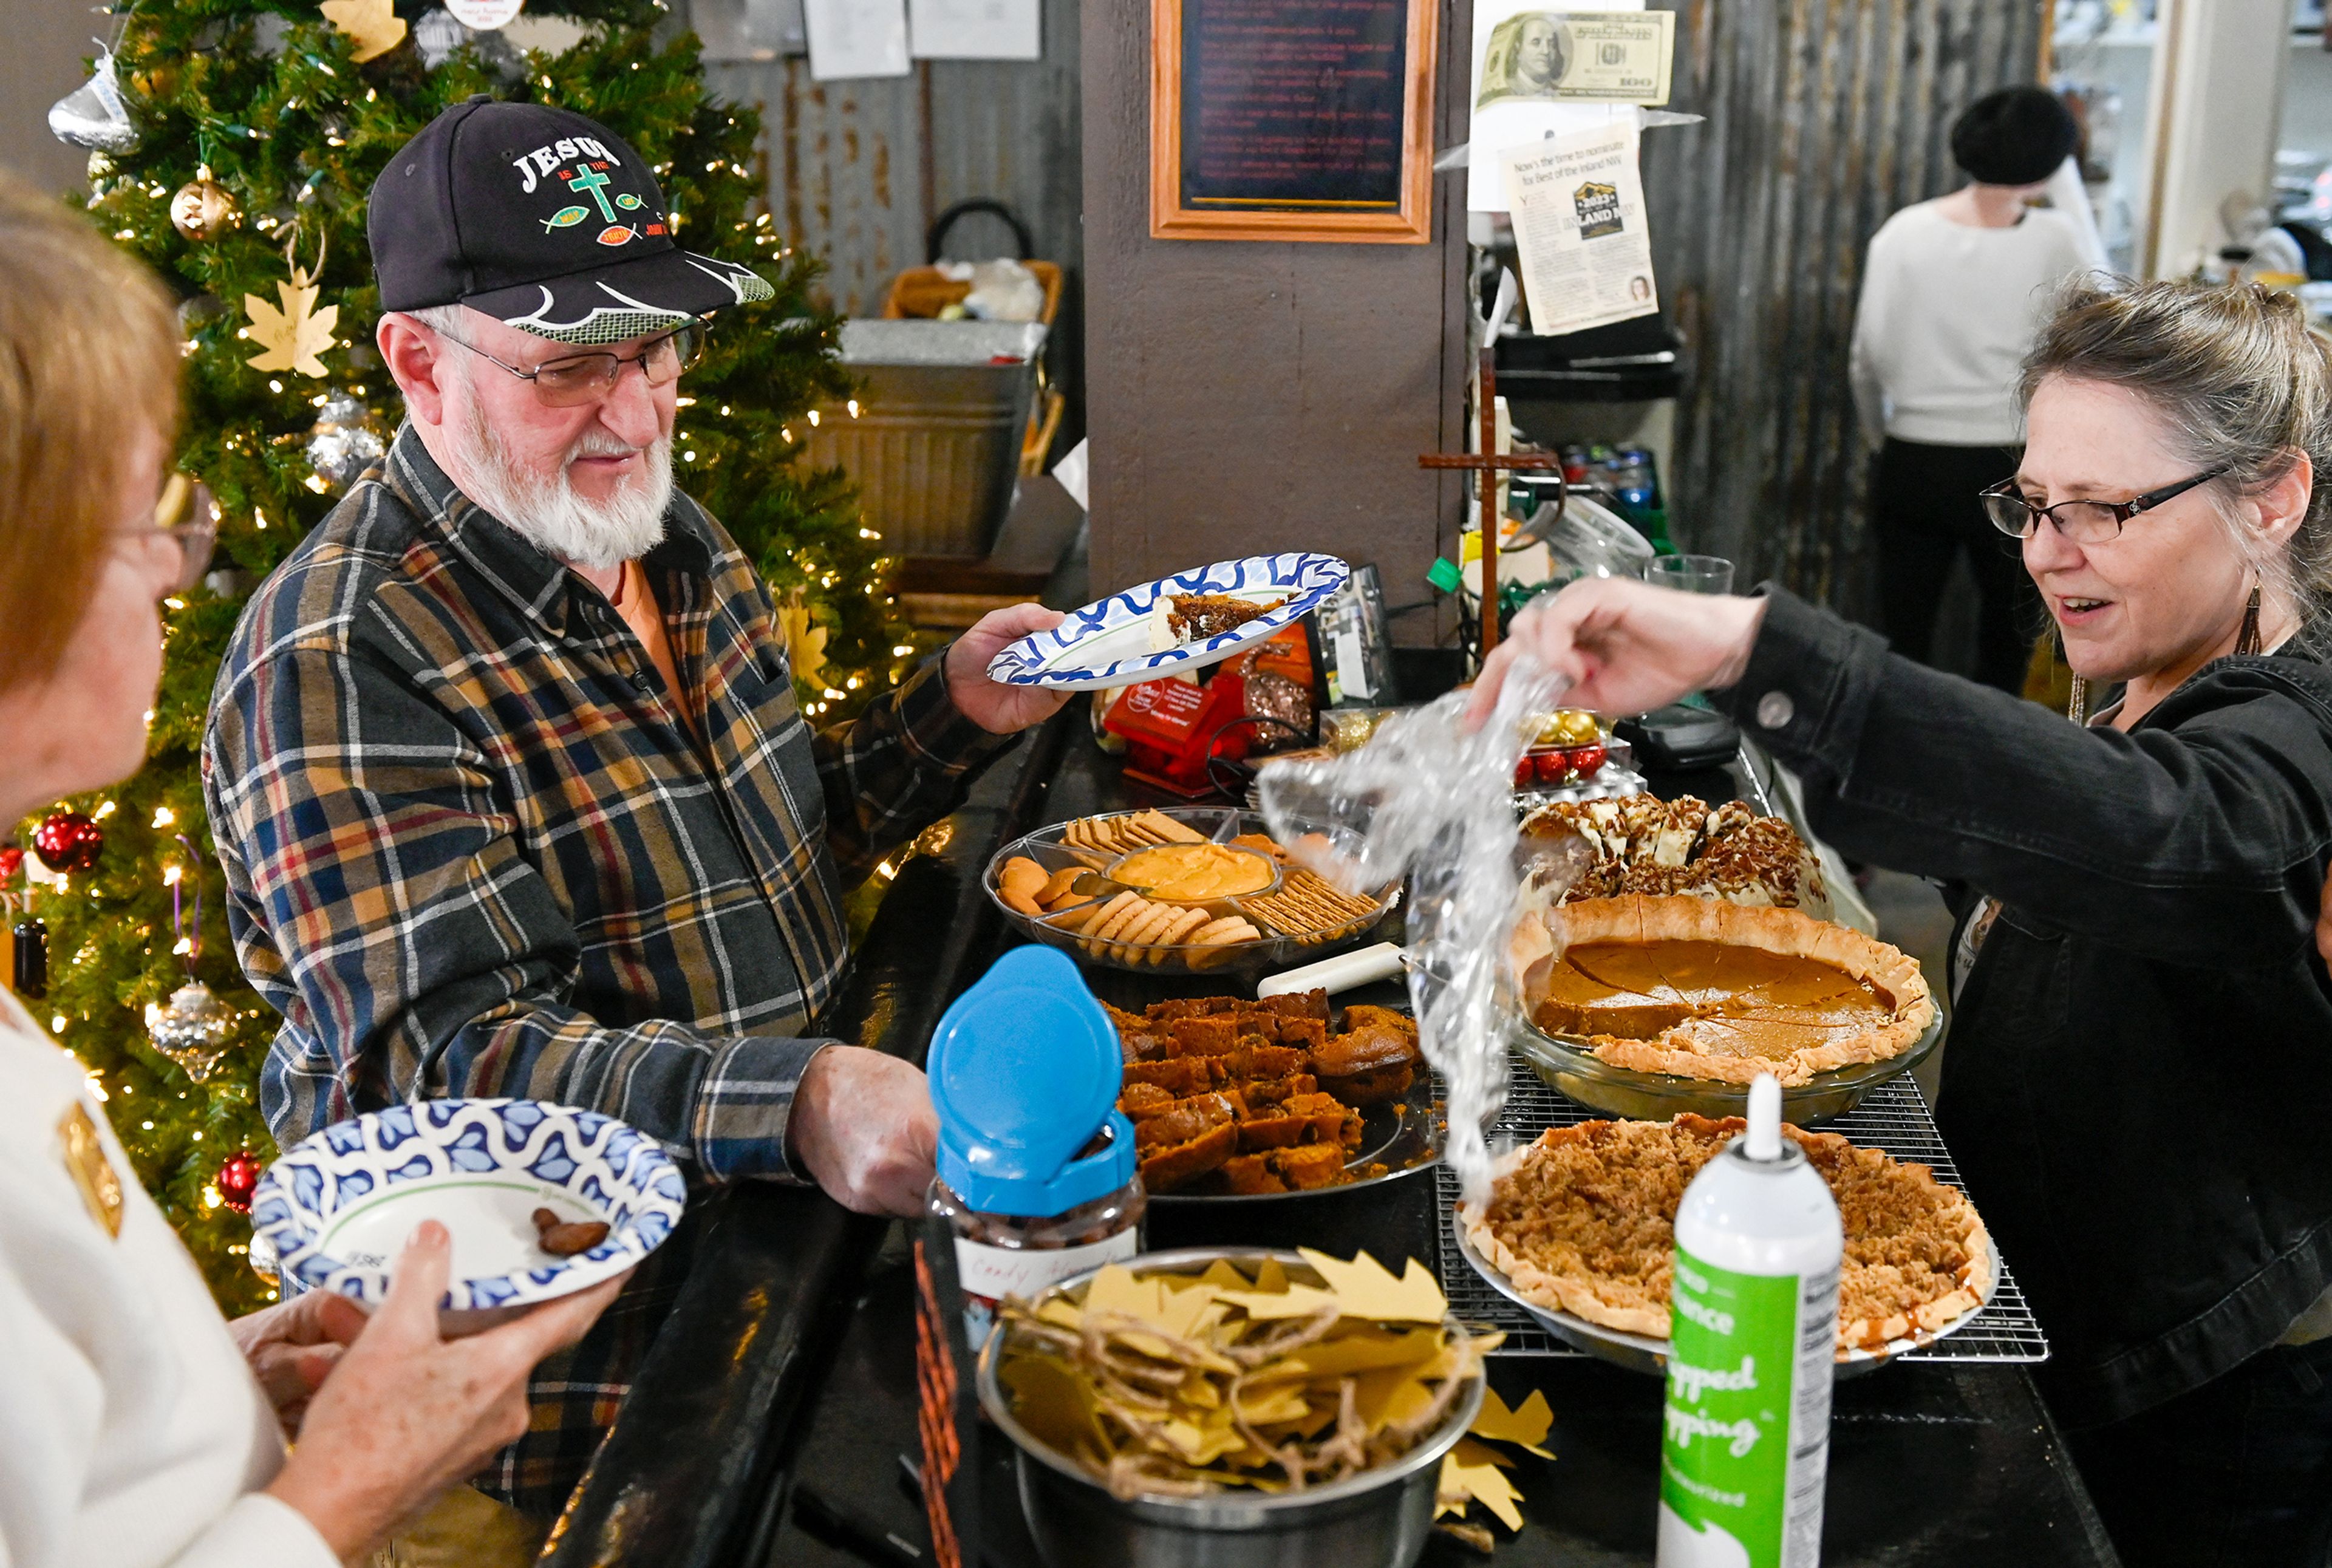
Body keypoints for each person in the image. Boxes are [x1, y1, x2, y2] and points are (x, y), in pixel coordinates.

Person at [200, 98, 1069, 1544]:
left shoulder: (671, 537)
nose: (637, 408)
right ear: (418, 361)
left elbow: (763, 857)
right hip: (572, 1412)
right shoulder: (342, 655)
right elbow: (451, 1058)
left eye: (657, 346)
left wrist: (949, 718)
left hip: (789, 1280)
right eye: (569, 368)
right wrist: (791, 1095)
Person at [1473, 278, 2332, 1566]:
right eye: (2035, 504)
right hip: (2031, 1304)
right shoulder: (2155, 685)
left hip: (2203, 1413)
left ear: (2273, 497)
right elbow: (2039, 816)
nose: (2049, 550)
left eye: (2105, 507)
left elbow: (2167, 837)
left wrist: (1760, 656)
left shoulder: (2296, 739)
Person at [0, 175, 626, 1567]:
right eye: (135, 518)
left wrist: (226, 1376)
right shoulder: (337, 650)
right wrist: (345, 1486)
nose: (177, 561)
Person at [1849, 85, 2099, 694]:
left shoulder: (1902, 234)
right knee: (2006, 638)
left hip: (1915, 457)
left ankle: (1886, 763)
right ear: (2050, 162)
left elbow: (1867, 358)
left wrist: (1883, 438)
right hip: (2016, 465)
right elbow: (2102, 317)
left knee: (1901, 636)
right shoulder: (2058, 237)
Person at [1475, 13, 1566, 107]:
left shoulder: (1558, 93)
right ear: (1518, 49)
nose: (1546, 51)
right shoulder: (1505, 91)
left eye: (1551, 44)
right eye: (1536, 43)